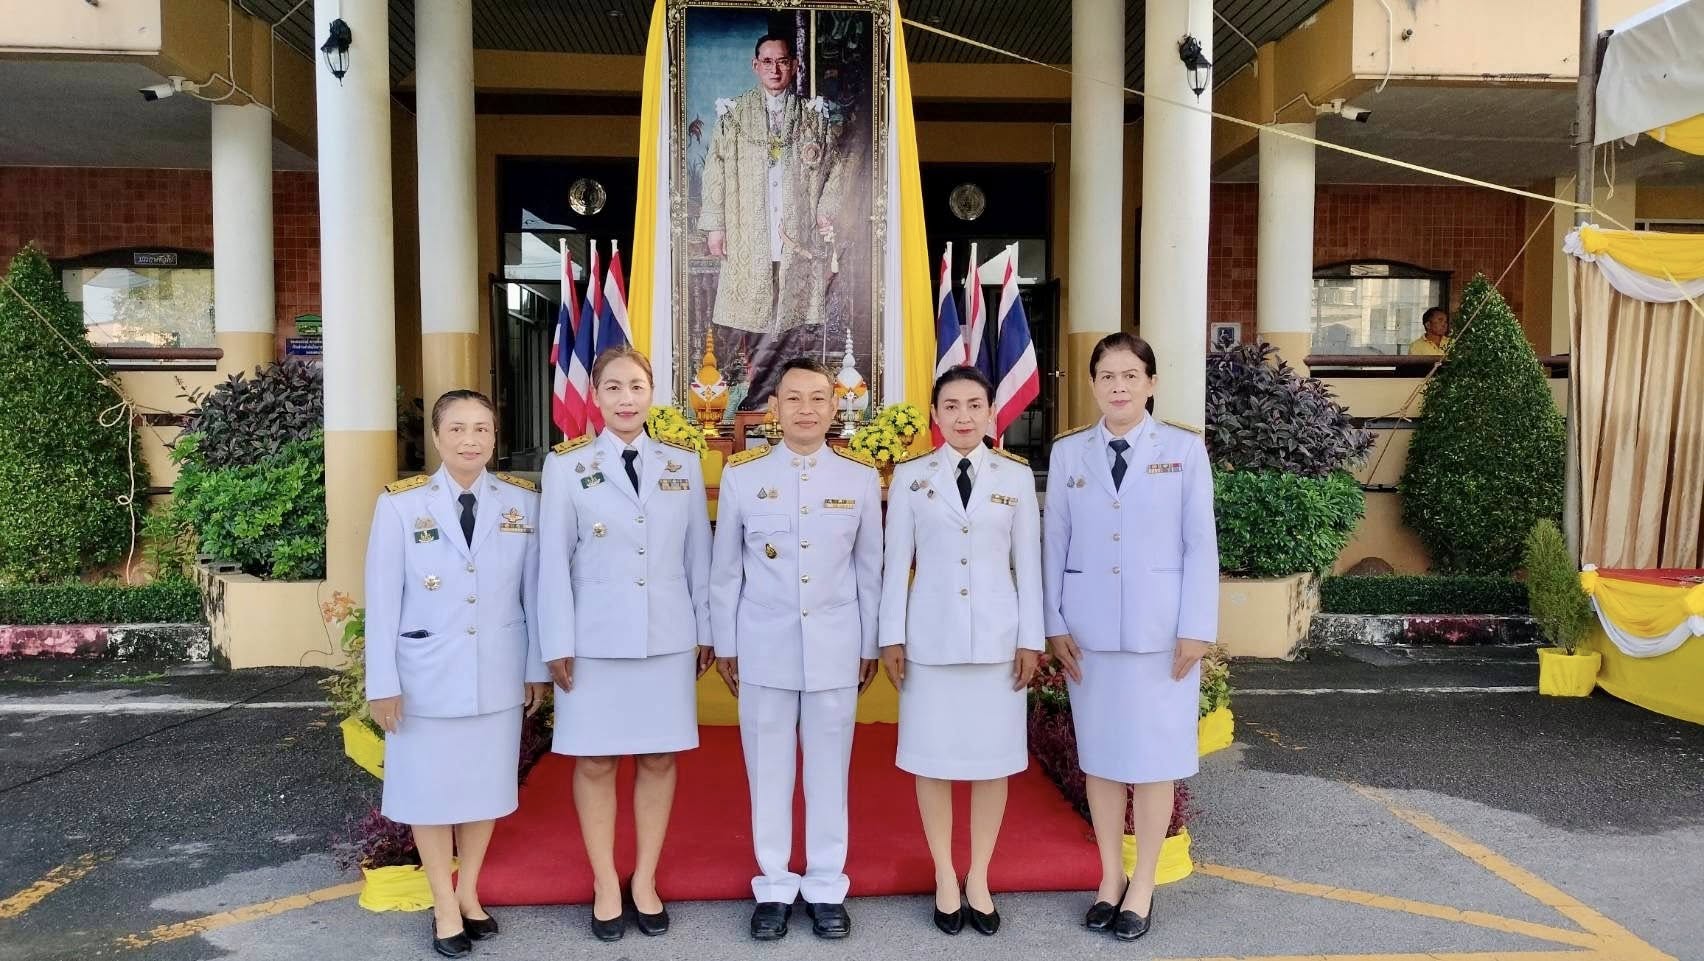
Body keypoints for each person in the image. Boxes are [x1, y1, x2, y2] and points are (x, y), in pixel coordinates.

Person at [1042, 333, 1218, 943]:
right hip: (1089, 635)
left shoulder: (1184, 451)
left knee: (1153, 762)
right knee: (1102, 761)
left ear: (1150, 382)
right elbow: (1054, 544)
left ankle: (1142, 882)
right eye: (1107, 376)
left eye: (1129, 375)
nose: (1118, 386)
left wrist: (1197, 627)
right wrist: (1053, 622)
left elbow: (1200, 543)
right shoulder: (1069, 455)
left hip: (1162, 635)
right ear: (1092, 385)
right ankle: (1108, 878)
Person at [364, 389, 551, 959]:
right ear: (438, 438)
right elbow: (382, 600)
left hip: (497, 672)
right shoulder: (400, 505)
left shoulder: (523, 502)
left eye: (482, 429)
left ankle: (469, 893)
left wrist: (534, 668)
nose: (471, 440)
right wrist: (382, 682)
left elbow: (535, 594)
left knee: (482, 791)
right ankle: (443, 905)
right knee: (429, 794)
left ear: (495, 437)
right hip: (424, 677)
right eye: (458, 429)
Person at [537, 346, 713, 942]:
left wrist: (705, 631)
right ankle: (606, 881)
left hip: (665, 637)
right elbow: (552, 563)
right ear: (595, 395)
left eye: (636, 386)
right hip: (594, 640)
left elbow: (699, 558)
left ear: (652, 391)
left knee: (660, 757)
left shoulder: (682, 464)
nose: (625, 398)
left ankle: (645, 878)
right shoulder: (566, 467)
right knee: (595, 760)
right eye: (612, 388)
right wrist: (555, 640)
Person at [710, 357, 883, 941]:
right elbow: (725, 571)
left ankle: (828, 883)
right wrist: (727, 644)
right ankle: (776, 884)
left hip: (836, 646)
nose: (806, 409)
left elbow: (870, 572)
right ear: (773, 410)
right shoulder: (741, 475)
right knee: (769, 768)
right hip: (763, 646)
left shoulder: (859, 478)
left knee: (830, 770)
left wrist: (870, 643)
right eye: (793, 399)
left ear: (835, 408)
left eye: (817, 398)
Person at [878, 366, 1043, 937]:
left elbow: (1029, 565)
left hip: (999, 642)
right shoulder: (911, 476)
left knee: (993, 763)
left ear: (991, 411)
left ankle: (979, 875)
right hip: (931, 640)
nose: (964, 416)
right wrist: (891, 635)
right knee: (934, 761)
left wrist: (1031, 638)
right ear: (935, 413)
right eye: (951, 406)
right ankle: (946, 875)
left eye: (975, 404)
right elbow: (894, 563)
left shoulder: (1014, 477)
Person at [699, 33, 849, 410]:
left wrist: (824, 210)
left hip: (797, 234)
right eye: (767, 61)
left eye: (782, 61)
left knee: (794, 317)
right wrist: (716, 225)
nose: (775, 69)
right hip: (750, 230)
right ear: (755, 66)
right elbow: (714, 171)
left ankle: (794, 393)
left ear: (794, 66)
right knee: (754, 314)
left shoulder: (813, 115)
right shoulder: (733, 115)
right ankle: (757, 395)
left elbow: (837, 168)